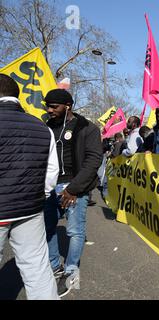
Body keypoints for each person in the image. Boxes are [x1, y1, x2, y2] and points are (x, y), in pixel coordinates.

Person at [0, 74, 60, 300]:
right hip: (30, 209)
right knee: (37, 268)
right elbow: (51, 171)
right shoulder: (42, 127)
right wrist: (39, 197)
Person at [43, 89, 102, 297]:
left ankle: (70, 273)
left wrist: (73, 189)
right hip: (50, 188)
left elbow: (94, 160)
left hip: (76, 188)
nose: (49, 110)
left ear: (68, 106)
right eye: (47, 106)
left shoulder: (88, 128)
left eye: (54, 106)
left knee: (75, 231)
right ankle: (54, 267)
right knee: (47, 227)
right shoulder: (47, 127)